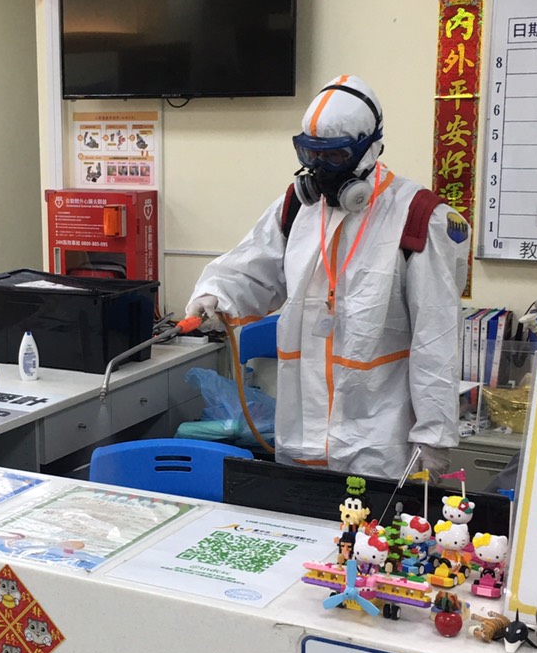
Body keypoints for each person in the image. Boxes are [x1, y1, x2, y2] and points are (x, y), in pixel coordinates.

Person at [186, 74, 468, 479]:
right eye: (310, 153)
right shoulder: (296, 207)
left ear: (370, 148)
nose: (319, 168)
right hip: (302, 428)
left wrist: (434, 435)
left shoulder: (418, 217)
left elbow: (435, 338)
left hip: (381, 435)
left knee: (368, 521)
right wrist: (216, 295)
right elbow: (252, 266)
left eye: (334, 156)